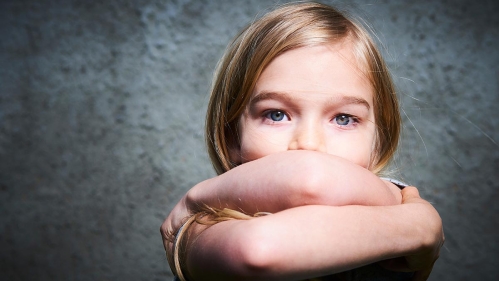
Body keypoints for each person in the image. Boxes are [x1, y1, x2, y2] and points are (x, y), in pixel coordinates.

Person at [161, 2, 444, 280]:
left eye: (344, 118)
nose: (309, 144)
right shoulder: (199, 229)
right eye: (276, 114)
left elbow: (312, 180)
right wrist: (415, 228)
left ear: (378, 142)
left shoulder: (395, 202)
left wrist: (196, 197)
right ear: (232, 136)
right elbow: (259, 250)